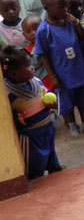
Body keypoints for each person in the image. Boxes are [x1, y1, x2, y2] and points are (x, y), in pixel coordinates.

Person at [34, 0, 84, 136]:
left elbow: (82, 38)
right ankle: (73, 126)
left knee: (83, 99)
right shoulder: (44, 30)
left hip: (79, 69)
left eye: (66, 6)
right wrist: (53, 76)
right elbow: (43, 55)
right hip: (63, 74)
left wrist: (76, 23)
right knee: (67, 102)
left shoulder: (69, 22)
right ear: (46, 8)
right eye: (60, 7)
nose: (65, 10)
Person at [2, 46, 62, 179]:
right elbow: (10, 115)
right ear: (14, 74)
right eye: (28, 67)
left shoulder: (37, 82)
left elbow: (46, 95)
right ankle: (35, 178)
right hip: (30, 135)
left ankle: (54, 168)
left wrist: (51, 104)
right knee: (34, 163)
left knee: (51, 153)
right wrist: (17, 118)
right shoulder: (8, 94)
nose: (32, 68)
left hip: (46, 126)